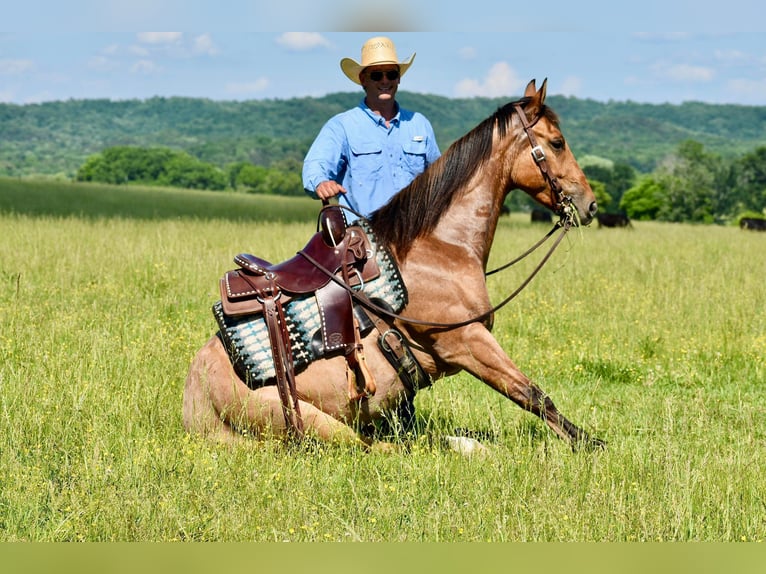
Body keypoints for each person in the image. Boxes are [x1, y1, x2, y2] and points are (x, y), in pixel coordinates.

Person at [302, 36, 441, 218]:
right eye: (376, 75)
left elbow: (440, 177)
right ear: (363, 79)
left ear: (398, 78)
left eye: (391, 74)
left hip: (414, 233)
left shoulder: (419, 124)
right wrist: (321, 183)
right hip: (363, 235)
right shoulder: (342, 125)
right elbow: (316, 165)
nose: (385, 81)